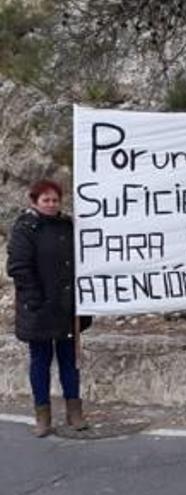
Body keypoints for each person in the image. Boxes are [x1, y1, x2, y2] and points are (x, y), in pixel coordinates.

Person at [7, 180, 91, 436]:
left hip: (67, 308)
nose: (52, 204)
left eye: (55, 200)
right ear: (34, 201)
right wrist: (35, 300)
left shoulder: (68, 225)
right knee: (40, 362)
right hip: (39, 309)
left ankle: (74, 412)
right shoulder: (25, 228)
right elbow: (19, 267)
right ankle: (42, 416)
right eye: (46, 200)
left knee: (70, 361)